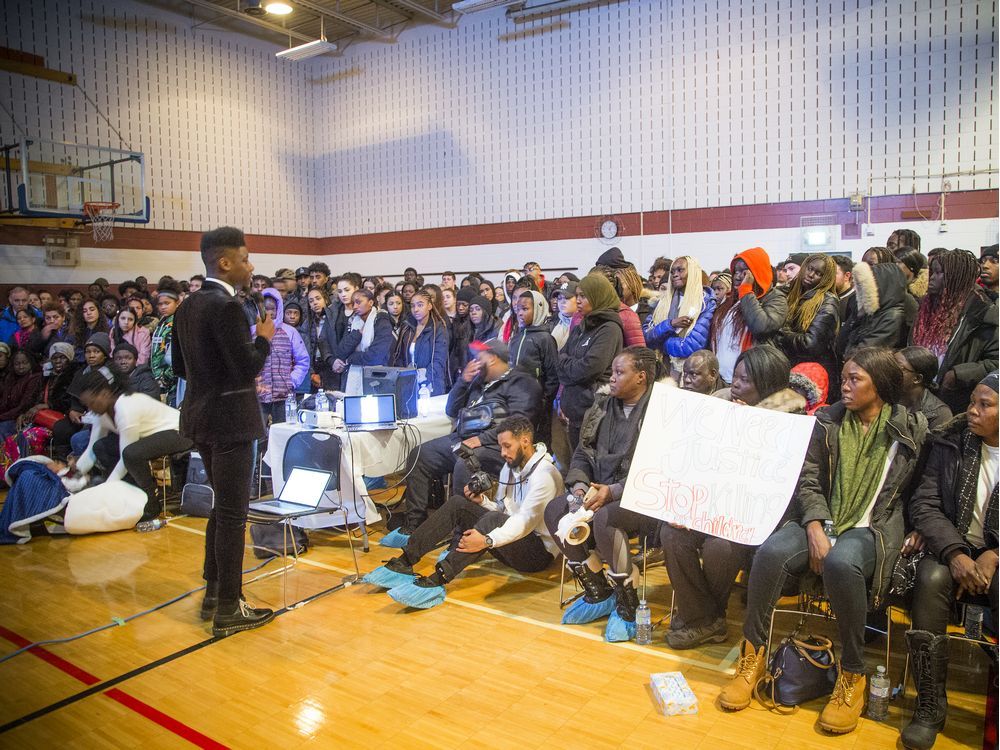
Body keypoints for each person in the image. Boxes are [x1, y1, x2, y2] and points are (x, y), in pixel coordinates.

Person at [720, 347, 927, 735]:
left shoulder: (910, 426)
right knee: (772, 551)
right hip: (823, 516)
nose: (845, 386)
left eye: (855, 380)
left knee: (841, 562)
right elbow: (808, 480)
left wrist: (920, 528)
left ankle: (852, 674)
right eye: (844, 378)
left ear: (879, 385)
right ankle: (754, 657)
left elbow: (920, 488)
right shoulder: (827, 421)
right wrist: (815, 525)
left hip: (874, 524)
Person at [663, 346, 806, 650]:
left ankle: (700, 619)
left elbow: (779, 481)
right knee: (672, 533)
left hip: (756, 510)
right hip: (712, 499)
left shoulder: (791, 418)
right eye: (736, 377)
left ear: (767, 384)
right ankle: (706, 618)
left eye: (746, 380)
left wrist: (749, 426)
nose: (736, 385)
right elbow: (697, 459)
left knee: (721, 546)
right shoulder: (721, 403)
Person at [172, 226, 277, 637]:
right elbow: (248, 366)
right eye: (246, 258)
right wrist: (264, 340)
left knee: (221, 508)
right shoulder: (228, 307)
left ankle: (214, 591)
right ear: (225, 262)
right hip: (231, 421)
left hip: (199, 418)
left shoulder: (188, 305)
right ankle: (230, 607)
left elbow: (181, 369)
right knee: (234, 515)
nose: (251, 267)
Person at [364, 416, 562, 608]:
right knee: (459, 502)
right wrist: (482, 502)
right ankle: (405, 561)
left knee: (492, 520)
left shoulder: (545, 476)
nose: (502, 452)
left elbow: (523, 523)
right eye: (501, 446)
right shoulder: (510, 467)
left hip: (537, 554)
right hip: (510, 539)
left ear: (525, 441)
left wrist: (487, 540)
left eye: (507, 446)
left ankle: (438, 578)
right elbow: (503, 511)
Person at [903, 372, 998, 750]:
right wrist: (956, 553)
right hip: (951, 545)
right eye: (972, 401)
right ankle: (929, 703)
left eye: (984, 405)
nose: (972, 410)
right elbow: (924, 504)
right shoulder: (951, 441)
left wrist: (995, 555)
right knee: (930, 580)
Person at [544, 347, 663, 642]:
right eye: (612, 371)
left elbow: (657, 467)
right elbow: (584, 453)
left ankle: (629, 602)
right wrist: (581, 487)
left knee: (606, 519)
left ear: (641, 377)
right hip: (599, 489)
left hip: (645, 497)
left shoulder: (660, 412)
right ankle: (599, 590)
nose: (611, 377)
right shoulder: (601, 405)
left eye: (620, 372)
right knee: (556, 511)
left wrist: (612, 491)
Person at [380, 338, 543, 546]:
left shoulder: (522, 383)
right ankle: (415, 523)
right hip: (463, 439)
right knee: (419, 454)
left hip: (496, 447)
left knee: (465, 464)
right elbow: (451, 410)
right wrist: (463, 382)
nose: (473, 362)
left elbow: (519, 425)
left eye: (478, 358)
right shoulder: (478, 380)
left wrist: (482, 439)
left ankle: (462, 535)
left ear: (492, 359)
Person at [73, 367, 193, 523]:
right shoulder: (101, 414)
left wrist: (106, 491)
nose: (90, 408)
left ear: (105, 394)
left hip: (180, 432)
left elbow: (126, 457)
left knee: (132, 454)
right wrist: (73, 476)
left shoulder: (126, 407)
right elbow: (91, 450)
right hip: (149, 439)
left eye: (91, 402)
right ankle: (131, 494)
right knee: (101, 447)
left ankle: (151, 502)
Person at [911, 249, 999, 414]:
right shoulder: (926, 308)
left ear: (956, 277)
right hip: (920, 396)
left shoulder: (983, 314)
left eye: (938, 273)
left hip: (955, 401)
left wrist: (958, 375)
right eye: (932, 271)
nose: (931, 277)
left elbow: (996, 361)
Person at [557, 273, 624, 450]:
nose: (578, 300)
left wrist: (567, 365)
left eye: (583, 296)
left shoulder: (609, 329)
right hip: (575, 411)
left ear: (597, 296)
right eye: (577, 295)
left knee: (588, 468)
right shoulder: (582, 327)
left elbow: (589, 368)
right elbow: (560, 359)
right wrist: (569, 365)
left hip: (593, 413)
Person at [709, 247, 788, 384]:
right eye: (736, 271)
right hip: (723, 380)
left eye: (744, 271)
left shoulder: (775, 299)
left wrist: (746, 289)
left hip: (752, 381)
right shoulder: (731, 300)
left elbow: (761, 326)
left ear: (757, 273)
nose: (738, 276)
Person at [774, 253, 841, 389]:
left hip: (813, 374)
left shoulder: (828, 301)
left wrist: (782, 332)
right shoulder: (793, 294)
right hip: (791, 367)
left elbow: (810, 344)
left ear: (826, 279)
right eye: (809, 268)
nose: (811, 274)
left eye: (818, 273)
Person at [645, 255, 717, 378]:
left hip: (689, 372)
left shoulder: (705, 303)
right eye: (672, 271)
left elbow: (692, 346)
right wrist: (670, 324)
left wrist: (660, 344)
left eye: (680, 270)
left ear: (693, 272)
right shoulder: (662, 302)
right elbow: (646, 336)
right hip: (661, 368)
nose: (674, 274)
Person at [508, 290, 558, 443]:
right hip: (516, 401)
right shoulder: (516, 337)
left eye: (525, 309)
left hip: (536, 405)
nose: (520, 313)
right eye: (518, 309)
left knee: (536, 442)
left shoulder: (545, 338)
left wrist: (544, 400)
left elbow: (553, 375)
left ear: (538, 309)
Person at [252, 288, 309, 422]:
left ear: (279, 308)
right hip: (258, 396)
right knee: (259, 438)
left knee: (283, 432)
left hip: (284, 396)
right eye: (265, 308)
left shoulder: (290, 332)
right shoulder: (252, 332)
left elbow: (303, 360)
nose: (269, 312)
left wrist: (292, 381)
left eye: (272, 308)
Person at [835, 260, 908, 363]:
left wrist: (847, 351)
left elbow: (862, 352)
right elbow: (841, 342)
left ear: (883, 285)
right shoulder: (873, 311)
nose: (864, 290)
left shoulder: (892, 316)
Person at [391, 288, 450, 396]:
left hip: (431, 385)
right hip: (408, 384)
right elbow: (399, 357)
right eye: (413, 306)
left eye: (420, 305)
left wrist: (420, 376)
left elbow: (438, 362)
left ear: (429, 306)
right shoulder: (407, 327)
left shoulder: (439, 329)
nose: (416, 309)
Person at [339, 288, 394, 394]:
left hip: (377, 377)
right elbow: (341, 351)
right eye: (353, 303)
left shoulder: (382, 321)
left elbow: (375, 357)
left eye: (359, 302)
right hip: (354, 374)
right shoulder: (353, 321)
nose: (355, 306)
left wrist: (350, 358)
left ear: (371, 302)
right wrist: (357, 333)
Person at [894, 346, 953, 429]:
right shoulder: (884, 395)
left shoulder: (939, 414)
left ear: (917, 379)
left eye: (898, 368)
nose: (890, 370)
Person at [150, 283, 181, 406]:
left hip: (172, 379)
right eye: (160, 304)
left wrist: (167, 377)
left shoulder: (177, 322)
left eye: (167, 303)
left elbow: (177, 354)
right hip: (158, 378)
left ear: (177, 303)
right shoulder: (161, 322)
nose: (163, 307)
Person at [0, 350, 42, 438]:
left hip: (23, 416)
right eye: (17, 364)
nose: (21, 367)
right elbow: (4, 402)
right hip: (8, 416)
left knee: (2, 428)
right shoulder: (11, 377)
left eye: (24, 363)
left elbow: (24, 405)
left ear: (30, 363)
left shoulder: (35, 378)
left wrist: (2, 417)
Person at [547, 280, 577, 351]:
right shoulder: (551, 321)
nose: (562, 302)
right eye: (560, 298)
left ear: (578, 299)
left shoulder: (584, 324)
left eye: (567, 298)